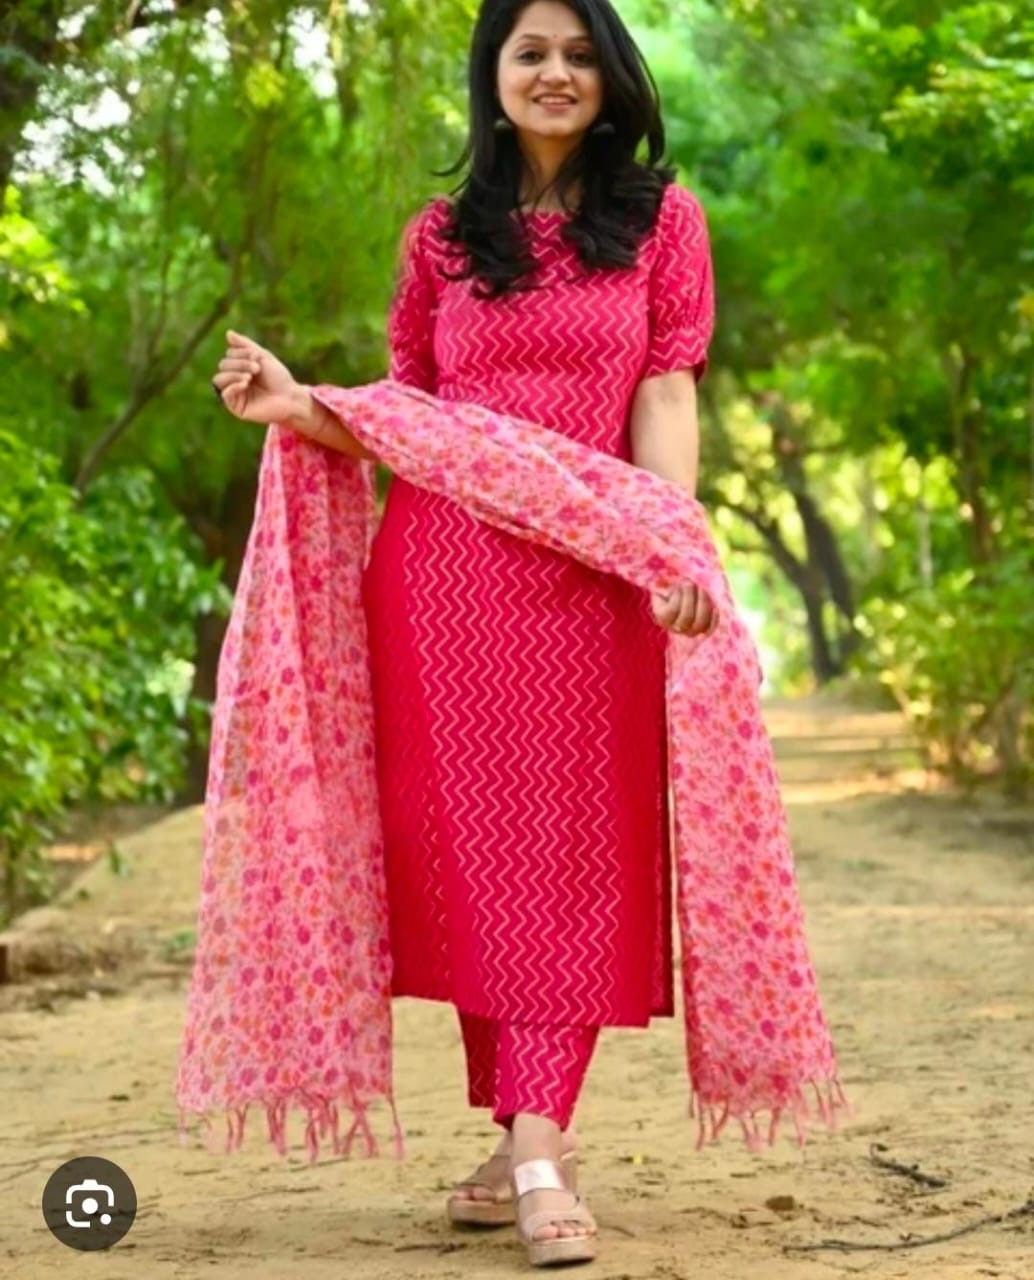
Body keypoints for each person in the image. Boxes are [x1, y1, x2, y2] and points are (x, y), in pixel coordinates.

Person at [210, 0, 716, 1266]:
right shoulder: (440, 238)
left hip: (587, 581)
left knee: (567, 855)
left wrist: (667, 541)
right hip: (440, 580)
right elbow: (407, 419)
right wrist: (297, 404)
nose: (557, 72)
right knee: (478, 862)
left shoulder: (660, 221)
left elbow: (662, 387)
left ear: (612, 79)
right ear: (493, 79)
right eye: (531, 51)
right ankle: (524, 1132)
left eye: (580, 53)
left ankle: (536, 1140)